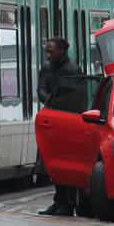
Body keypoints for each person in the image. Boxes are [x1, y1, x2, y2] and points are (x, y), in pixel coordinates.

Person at [36, 36, 82, 216]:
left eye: (51, 52)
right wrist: (45, 98)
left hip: (67, 120)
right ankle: (59, 201)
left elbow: (76, 95)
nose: (48, 55)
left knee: (65, 161)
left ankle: (67, 203)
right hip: (51, 119)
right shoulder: (46, 68)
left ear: (61, 51)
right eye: (46, 51)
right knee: (52, 161)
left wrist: (57, 101)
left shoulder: (73, 69)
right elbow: (40, 88)